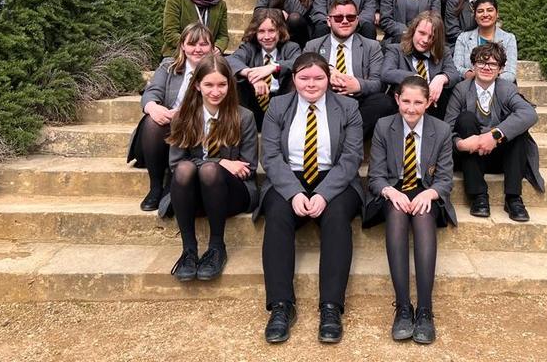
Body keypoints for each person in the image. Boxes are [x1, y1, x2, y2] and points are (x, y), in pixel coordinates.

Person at [256, 52, 365, 344]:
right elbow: (270, 156)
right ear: (294, 79)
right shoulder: (278, 106)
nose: (311, 84)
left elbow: (352, 157)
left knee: (337, 217)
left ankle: (331, 307)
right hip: (288, 177)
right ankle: (281, 306)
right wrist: (293, 192)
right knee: (277, 216)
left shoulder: (348, 107)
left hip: (334, 178)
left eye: (318, 77)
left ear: (329, 79)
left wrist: (324, 194)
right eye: (304, 78)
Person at [365, 76, 456, 344]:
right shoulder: (384, 126)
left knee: (424, 215)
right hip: (394, 188)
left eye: (418, 102)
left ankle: (425, 309)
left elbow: (445, 179)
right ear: (397, 100)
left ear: (428, 102)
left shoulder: (440, 130)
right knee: (395, 213)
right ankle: (403, 307)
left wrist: (431, 193)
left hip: (425, 189)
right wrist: (390, 192)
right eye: (406, 101)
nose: (411, 108)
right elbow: (376, 177)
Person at [166, 55, 259, 281]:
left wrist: (215, 167)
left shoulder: (244, 117)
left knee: (209, 171)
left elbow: (249, 167)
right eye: (208, 84)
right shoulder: (184, 117)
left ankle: (217, 246)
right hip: (193, 195)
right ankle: (189, 249)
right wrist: (222, 161)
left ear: (230, 84)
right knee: (185, 169)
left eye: (221, 84)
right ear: (197, 85)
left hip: (232, 192)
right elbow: (175, 164)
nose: (215, 91)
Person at [444, 43, 543, 222]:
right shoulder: (461, 89)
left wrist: (494, 135)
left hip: (501, 156)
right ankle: (478, 195)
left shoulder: (506, 88)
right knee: (466, 119)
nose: (486, 67)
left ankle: (513, 198)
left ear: (501, 69)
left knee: (518, 129)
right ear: (473, 65)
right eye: (481, 62)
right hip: (470, 155)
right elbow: (446, 129)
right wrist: (460, 143)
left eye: (493, 64)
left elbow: (529, 113)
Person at [127, 23, 214, 214]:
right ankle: (156, 186)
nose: (197, 49)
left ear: (212, 47)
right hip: (163, 132)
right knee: (152, 122)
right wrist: (153, 107)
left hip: (195, 132)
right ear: (182, 45)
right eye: (192, 44)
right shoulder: (169, 67)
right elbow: (151, 92)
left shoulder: (217, 70)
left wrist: (186, 113)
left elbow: (220, 102)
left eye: (203, 44)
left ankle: (173, 184)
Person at [305, 0, 395, 139]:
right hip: (324, 100)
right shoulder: (313, 46)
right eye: (339, 18)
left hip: (358, 103)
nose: (345, 21)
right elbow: (304, 78)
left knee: (384, 102)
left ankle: (344, 139)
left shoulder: (372, 46)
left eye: (351, 17)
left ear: (357, 20)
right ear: (329, 21)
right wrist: (327, 76)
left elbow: (379, 83)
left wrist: (357, 85)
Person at [227, 9, 301, 130]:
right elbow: (230, 60)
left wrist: (273, 67)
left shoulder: (291, 47)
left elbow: (298, 62)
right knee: (234, 80)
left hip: (281, 104)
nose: (267, 37)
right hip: (253, 104)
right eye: (261, 31)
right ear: (255, 33)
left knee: (296, 78)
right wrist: (251, 75)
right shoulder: (249, 48)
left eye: (272, 31)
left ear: (280, 31)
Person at [381, 12, 461, 119]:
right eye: (422, 33)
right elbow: (386, 73)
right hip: (403, 107)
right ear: (413, 30)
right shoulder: (396, 49)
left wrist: (441, 78)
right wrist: (415, 77)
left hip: (433, 107)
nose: (425, 40)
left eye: (432, 37)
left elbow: (455, 74)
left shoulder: (443, 52)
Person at [453, 0, 518, 82]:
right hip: (470, 87)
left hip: (499, 89)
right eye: (480, 11)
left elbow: (510, 74)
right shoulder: (463, 38)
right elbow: (456, 68)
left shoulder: (509, 38)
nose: (485, 14)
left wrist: (486, 78)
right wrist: (470, 74)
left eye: (490, 10)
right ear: (475, 16)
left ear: (497, 13)